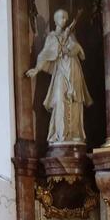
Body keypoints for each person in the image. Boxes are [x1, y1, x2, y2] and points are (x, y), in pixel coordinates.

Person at [25, 8, 93, 145]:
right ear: (55, 20)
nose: (65, 20)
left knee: (75, 102)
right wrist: (37, 69)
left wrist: (72, 47)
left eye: (66, 18)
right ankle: (60, 134)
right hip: (61, 71)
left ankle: (75, 133)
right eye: (62, 17)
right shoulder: (51, 37)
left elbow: (81, 54)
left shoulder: (71, 35)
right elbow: (44, 54)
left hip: (74, 71)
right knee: (60, 99)